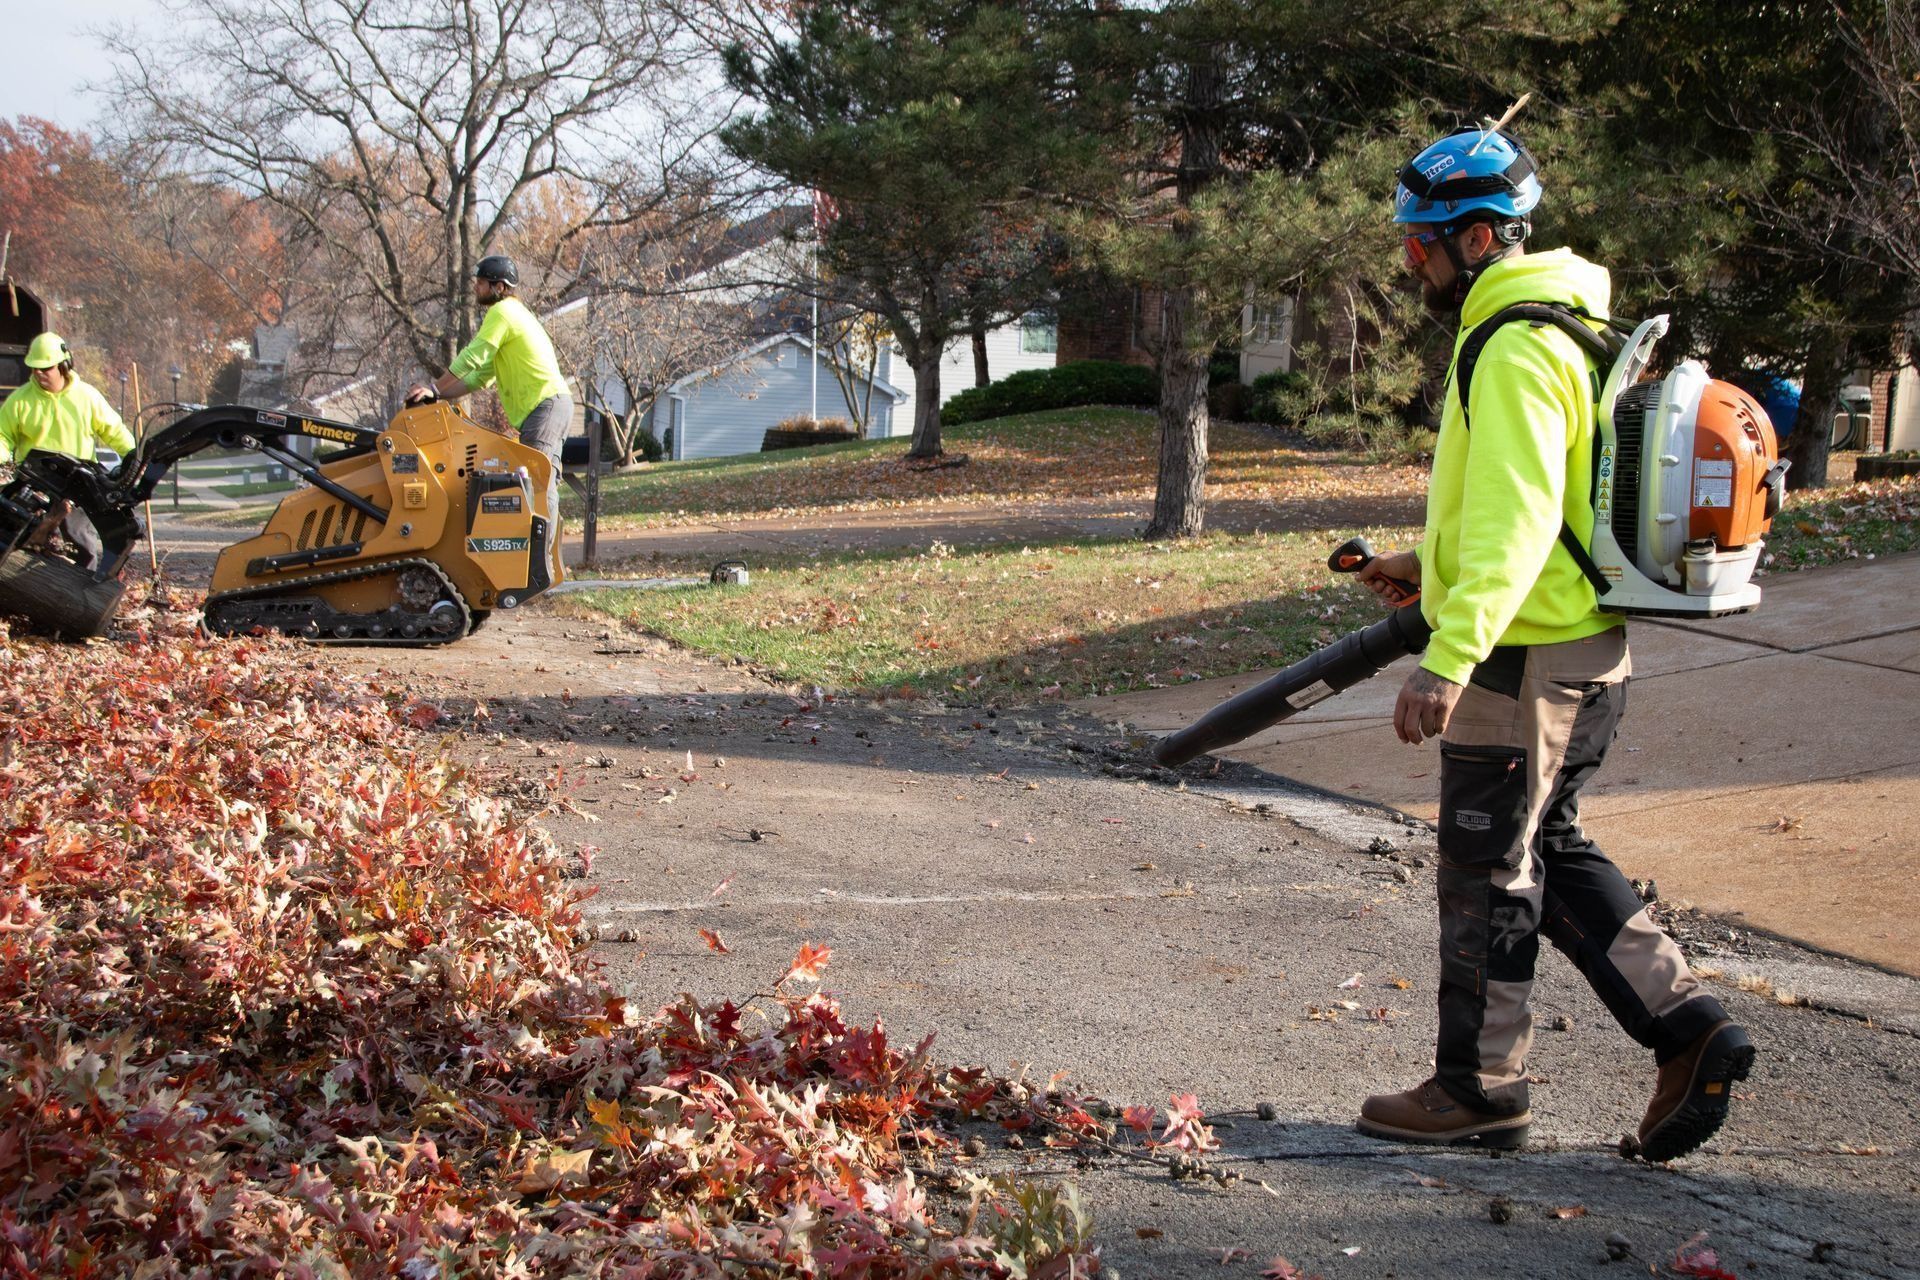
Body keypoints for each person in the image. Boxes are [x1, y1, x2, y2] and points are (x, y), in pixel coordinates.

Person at [1352, 127, 1753, 1162]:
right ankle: (1691, 1027)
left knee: (1488, 869)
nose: (1413, 266)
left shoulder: (1518, 343)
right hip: (1575, 647)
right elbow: (1541, 500)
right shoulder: (1555, 323)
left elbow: (1521, 515)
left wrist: (1450, 651)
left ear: (1478, 236)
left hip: (1524, 658)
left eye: (1419, 246)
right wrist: (1425, 565)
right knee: (1549, 852)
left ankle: (1476, 1086)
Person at [405, 255, 571, 553]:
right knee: (540, 480)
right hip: (549, 406)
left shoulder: (503, 312)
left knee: (540, 480)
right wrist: (439, 395)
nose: (476, 287)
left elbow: (473, 356)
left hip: (546, 405)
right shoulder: (512, 316)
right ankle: (540, 559)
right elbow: (479, 377)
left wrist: (433, 386)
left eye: (481, 282)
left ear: (499, 286)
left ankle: (541, 562)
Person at [0, 332, 136, 570]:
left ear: (63, 365)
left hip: (79, 485)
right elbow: (2, 435)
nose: (39, 373)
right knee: (15, 536)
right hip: (35, 483)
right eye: (34, 368)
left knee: (80, 541)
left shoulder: (86, 397)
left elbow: (114, 431)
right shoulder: (20, 401)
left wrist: (135, 458)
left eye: (46, 368)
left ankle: (83, 597)